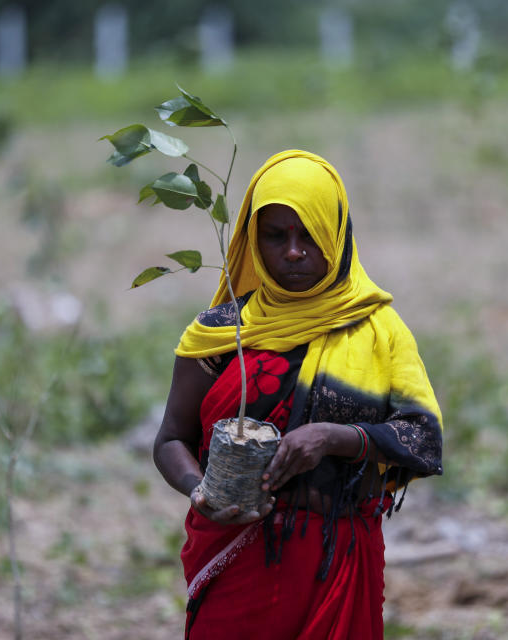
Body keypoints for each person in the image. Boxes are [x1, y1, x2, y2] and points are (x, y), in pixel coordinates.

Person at [153, 149, 443, 640]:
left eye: (309, 234)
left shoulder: (379, 329)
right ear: (251, 240)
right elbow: (170, 439)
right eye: (275, 236)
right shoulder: (223, 332)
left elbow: (422, 440)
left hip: (337, 559)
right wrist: (197, 490)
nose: (293, 251)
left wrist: (334, 436)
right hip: (239, 554)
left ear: (336, 234)